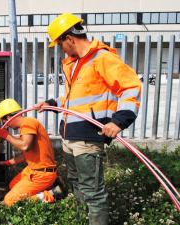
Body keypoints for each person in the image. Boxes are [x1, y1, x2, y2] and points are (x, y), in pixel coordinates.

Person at [34, 13, 142, 225]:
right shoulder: (75, 64)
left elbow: (131, 87)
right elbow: (73, 99)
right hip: (70, 137)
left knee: (93, 192)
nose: (60, 49)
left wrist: (118, 121)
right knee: (76, 183)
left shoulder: (102, 58)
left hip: (88, 138)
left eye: (59, 44)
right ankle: (82, 220)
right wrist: (50, 104)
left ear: (70, 39)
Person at [0, 99, 62, 206]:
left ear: (8, 117)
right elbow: (27, 154)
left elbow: (25, 146)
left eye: (3, 121)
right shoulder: (26, 125)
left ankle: (51, 194)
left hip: (41, 174)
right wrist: (7, 163)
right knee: (12, 185)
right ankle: (49, 186)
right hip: (33, 170)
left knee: (9, 200)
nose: (5, 124)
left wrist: (6, 135)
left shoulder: (28, 123)